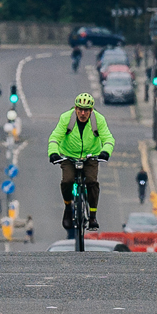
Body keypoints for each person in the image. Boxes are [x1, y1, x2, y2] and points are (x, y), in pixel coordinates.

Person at [48, 92, 114, 231]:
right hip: (69, 156)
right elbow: (55, 137)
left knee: (92, 182)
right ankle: (67, 207)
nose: (83, 113)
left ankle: (93, 216)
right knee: (67, 181)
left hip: (91, 156)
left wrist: (105, 152)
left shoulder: (98, 120)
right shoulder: (66, 118)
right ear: (75, 108)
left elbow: (108, 139)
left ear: (91, 110)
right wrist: (53, 152)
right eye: (80, 109)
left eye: (86, 110)